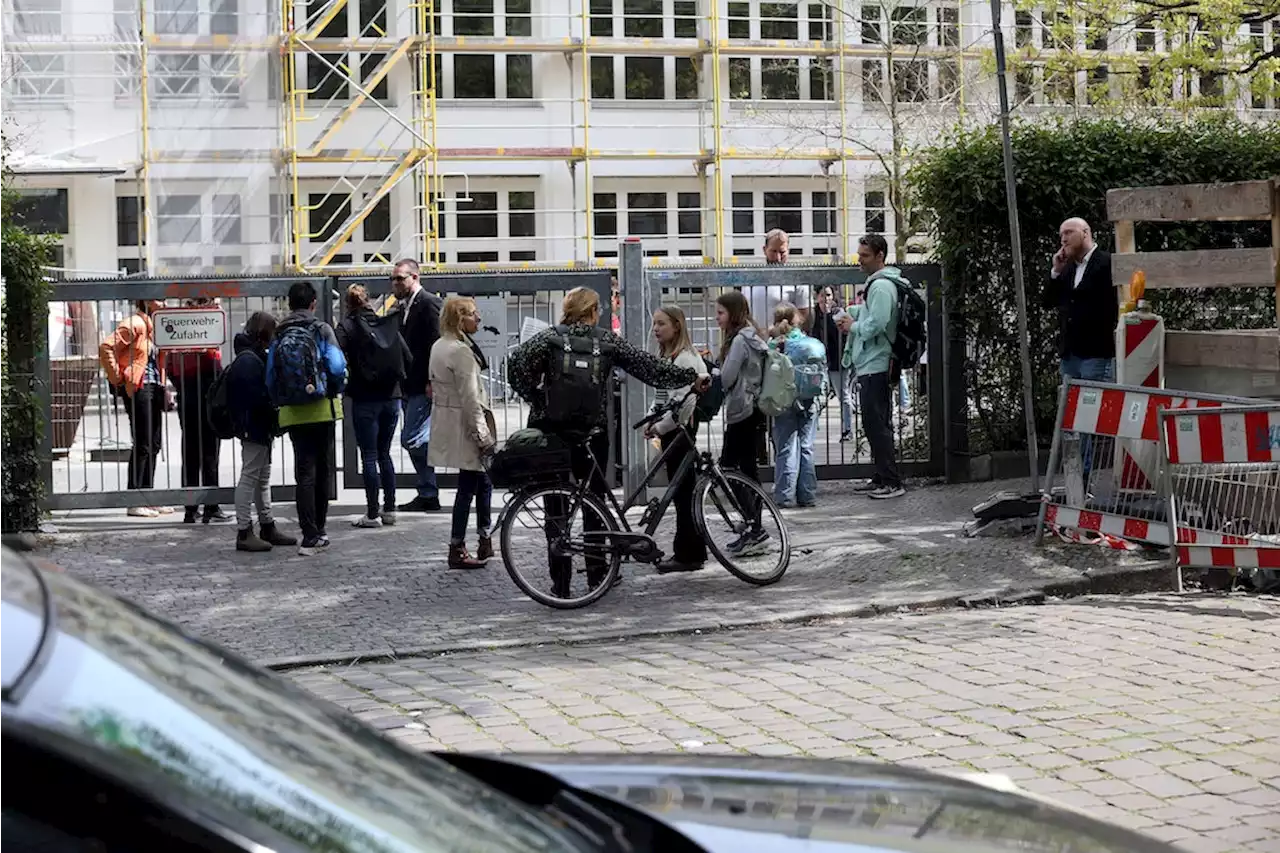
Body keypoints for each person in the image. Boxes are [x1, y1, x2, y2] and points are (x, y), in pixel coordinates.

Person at [507, 287, 709, 597]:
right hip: (592, 433)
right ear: (593, 312)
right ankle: (597, 574)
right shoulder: (606, 340)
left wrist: (537, 399)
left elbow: (515, 366)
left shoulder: (547, 338)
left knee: (555, 509)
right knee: (595, 503)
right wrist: (689, 377)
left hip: (550, 434)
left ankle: (559, 583)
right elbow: (649, 368)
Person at [267, 281, 347, 556]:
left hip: (292, 411)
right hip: (321, 406)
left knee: (304, 472)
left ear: (290, 303)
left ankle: (308, 534)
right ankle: (319, 532)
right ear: (313, 303)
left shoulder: (279, 333)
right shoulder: (321, 329)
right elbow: (336, 366)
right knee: (323, 470)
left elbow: (269, 377)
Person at [429, 297, 497, 570]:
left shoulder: (439, 346)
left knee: (479, 483)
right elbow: (471, 399)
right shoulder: (460, 351)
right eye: (472, 314)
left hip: (451, 421)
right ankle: (459, 545)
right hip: (466, 425)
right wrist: (482, 435)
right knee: (469, 487)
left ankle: (484, 538)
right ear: (460, 319)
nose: (478, 318)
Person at [336, 284, 410, 529]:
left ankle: (371, 513)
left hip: (364, 398)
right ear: (368, 301)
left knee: (368, 456)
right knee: (384, 454)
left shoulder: (347, 326)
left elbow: (335, 356)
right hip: (392, 398)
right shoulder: (386, 324)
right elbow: (408, 357)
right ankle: (390, 509)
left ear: (348, 304)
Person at [223, 311, 297, 553]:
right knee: (250, 476)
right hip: (253, 426)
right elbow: (254, 398)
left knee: (261, 478)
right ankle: (245, 531)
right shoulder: (249, 360)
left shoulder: (251, 356)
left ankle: (267, 525)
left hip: (256, 426)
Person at [838, 234, 905, 500]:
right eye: (860, 254)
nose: (860, 260)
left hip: (876, 363)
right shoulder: (879, 284)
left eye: (865, 256)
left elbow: (877, 323)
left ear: (880, 256)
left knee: (877, 424)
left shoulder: (880, 286)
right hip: (873, 362)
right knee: (875, 423)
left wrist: (851, 326)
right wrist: (855, 314)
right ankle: (882, 476)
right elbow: (874, 317)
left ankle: (890, 481)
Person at [644, 305, 707, 574]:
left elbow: (683, 405)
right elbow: (662, 398)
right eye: (655, 324)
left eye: (662, 324)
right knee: (680, 492)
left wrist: (660, 427)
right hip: (670, 430)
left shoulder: (685, 360)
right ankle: (689, 551)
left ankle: (689, 553)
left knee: (683, 494)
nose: (656, 328)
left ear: (677, 326)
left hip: (680, 432)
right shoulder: (669, 357)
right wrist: (651, 420)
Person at [99, 299, 172, 518]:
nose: (165, 303)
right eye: (160, 299)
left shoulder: (154, 328)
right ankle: (134, 500)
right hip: (139, 388)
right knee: (143, 443)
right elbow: (106, 346)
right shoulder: (135, 324)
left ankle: (147, 497)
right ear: (147, 301)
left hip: (154, 387)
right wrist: (118, 377)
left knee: (154, 443)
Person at [715, 290, 770, 554]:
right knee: (749, 469)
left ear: (733, 313)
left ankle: (753, 526)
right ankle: (754, 526)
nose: (717, 318)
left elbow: (726, 378)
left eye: (720, 313)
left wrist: (714, 371)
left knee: (728, 467)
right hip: (755, 408)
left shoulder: (739, 340)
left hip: (741, 410)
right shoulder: (754, 335)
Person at [166, 298, 227, 525]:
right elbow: (214, 361)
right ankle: (211, 504)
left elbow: (171, 365)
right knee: (210, 449)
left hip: (186, 390)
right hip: (205, 389)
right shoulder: (208, 325)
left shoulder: (180, 324)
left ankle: (191, 508)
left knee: (190, 449)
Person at [391, 259, 444, 513]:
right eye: (393, 279)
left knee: (411, 438)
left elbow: (436, 344)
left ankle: (429, 490)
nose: (395, 283)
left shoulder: (429, 303)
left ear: (415, 277)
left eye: (400, 278)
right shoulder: (401, 308)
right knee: (414, 437)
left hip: (423, 385)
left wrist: (432, 380)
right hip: (407, 384)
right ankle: (427, 491)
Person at [767, 302, 826, 508]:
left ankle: (784, 495)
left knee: (785, 447)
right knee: (807, 447)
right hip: (810, 400)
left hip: (785, 401)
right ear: (798, 320)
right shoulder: (813, 344)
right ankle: (807, 495)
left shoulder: (775, 345)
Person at [1043, 217, 1117, 381]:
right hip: (1069, 356)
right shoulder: (1067, 267)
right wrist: (1056, 271)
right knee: (1068, 405)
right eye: (1061, 234)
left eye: (1069, 232)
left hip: (1097, 354)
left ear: (1085, 233)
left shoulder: (1109, 263)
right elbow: (1048, 302)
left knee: (1094, 404)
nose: (1063, 239)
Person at [813, 285, 855, 442]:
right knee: (817, 395)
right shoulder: (813, 314)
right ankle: (812, 428)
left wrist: (830, 316)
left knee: (843, 395)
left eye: (829, 295)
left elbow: (842, 335)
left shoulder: (838, 313)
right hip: (819, 362)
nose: (827, 299)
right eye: (823, 295)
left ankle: (847, 430)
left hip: (837, 360)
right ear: (817, 297)